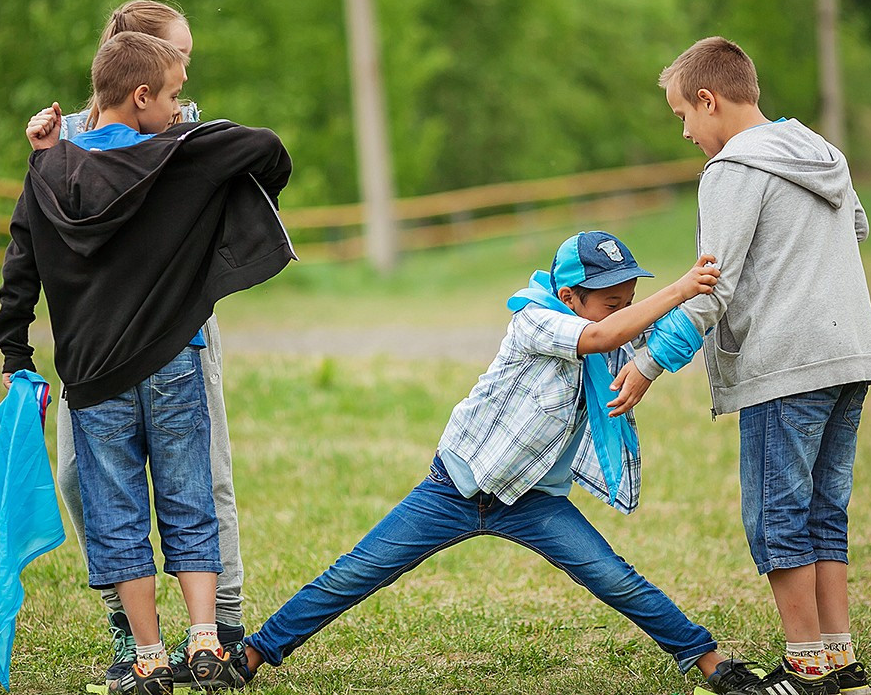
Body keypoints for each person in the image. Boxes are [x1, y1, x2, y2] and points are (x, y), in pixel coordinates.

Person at [227, 231, 763, 694]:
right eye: (611, 301)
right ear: (568, 296)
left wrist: (688, 308)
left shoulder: (614, 321)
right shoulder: (533, 318)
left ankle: (706, 659)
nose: (624, 311)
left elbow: (659, 330)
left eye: (630, 299)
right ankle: (253, 655)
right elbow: (602, 336)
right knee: (357, 572)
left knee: (615, 579)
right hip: (455, 489)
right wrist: (677, 287)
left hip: (534, 502)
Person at [0, 30, 293, 693]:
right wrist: (195, 138)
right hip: (174, 362)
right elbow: (270, 152)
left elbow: (22, 257)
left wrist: (15, 346)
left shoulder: (51, 167)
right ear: (140, 97)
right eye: (174, 97)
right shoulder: (177, 158)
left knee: (115, 512)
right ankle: (207, 641)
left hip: (94, 378)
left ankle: (149, 656)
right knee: (190, 500)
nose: (180, 110)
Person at [608, 37, 871, 695]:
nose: (685, 132)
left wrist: (647, 362)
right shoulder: (822, 153)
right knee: (823, 512)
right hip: (850, 355)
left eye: (682, 116)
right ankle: (842, 665)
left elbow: (712, 288)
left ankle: (804, 666)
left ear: (709, 100)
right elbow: (859, 229)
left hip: (785, 364)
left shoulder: (732, 169)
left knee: (778, 517)